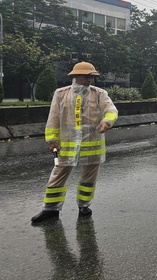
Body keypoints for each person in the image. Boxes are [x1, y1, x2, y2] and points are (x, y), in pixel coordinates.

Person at [31, 62, 118, 223]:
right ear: (76, 76)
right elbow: (54, 118)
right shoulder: (61, 94)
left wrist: (107, 121)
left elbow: (111, 110)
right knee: (57, 175)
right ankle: (50, 209)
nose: (89, 79)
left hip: (92, 145)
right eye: (86, 76)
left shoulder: (99, 93)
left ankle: (84, 206)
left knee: (89, 178)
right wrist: (52, 140)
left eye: (91, 77)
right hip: (66, 146)